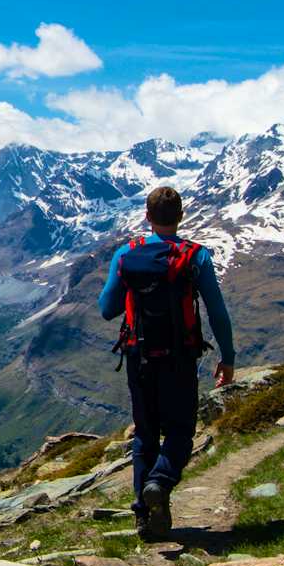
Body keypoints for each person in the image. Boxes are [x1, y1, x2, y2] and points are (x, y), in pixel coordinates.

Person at [97, 185, 236, 542]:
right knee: (180, 431)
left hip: (138, 358)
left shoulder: (127, 254)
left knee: (145, 434)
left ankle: (144, 518)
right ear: (181, 216)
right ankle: (159, 482)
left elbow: (107, 309)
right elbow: (218, 313)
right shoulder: (196, 256)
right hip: (180, 358)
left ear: (147, 216)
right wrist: (228, 357)